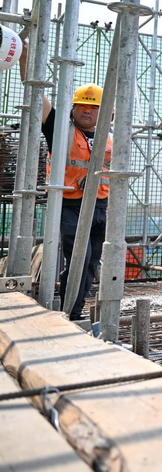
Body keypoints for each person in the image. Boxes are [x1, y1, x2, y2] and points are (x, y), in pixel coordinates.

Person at [21, 47, 112, 321]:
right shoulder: (60, 127)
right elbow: (37, 96)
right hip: (71, 205)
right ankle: (69, 311)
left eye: (94, 107)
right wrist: (26, 58)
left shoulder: (109, 135)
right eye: (83, 105)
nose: (88, 111)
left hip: (100, 205)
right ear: (73, 107)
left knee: (92, 263)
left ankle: (75, 308)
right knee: (78, 259)